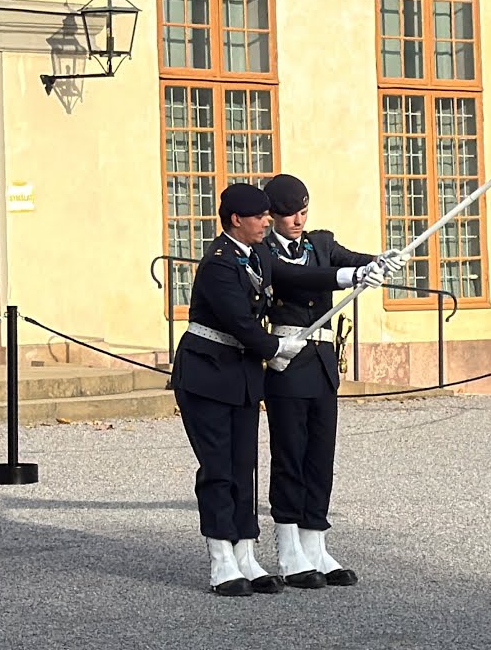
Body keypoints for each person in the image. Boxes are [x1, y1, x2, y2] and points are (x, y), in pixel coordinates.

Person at [171, 182, 387, 597]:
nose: (268, 222)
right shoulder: (218, 262)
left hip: (243, 373)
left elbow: (295, 273)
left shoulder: (254, 256)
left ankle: (246, 554)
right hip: (208, 374)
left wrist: (369, 266)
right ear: (237, 219)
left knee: (244, 468)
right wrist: (275, 347)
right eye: (261, 216)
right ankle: (221, 561)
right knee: (218, 470)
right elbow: (238, 320)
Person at [260, 174, 407, 587]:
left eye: (303, 212)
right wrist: (349, 277)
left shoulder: (321, 243)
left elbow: (350, 258)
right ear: (272, 216)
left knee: (320, 459)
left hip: (322, 363)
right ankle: (288, 550)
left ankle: (315, 544)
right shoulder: (265, 252)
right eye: (290, 214)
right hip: (287, 364)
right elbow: (296, 280)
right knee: (290, 455)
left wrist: (379, 261)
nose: (298, 221)